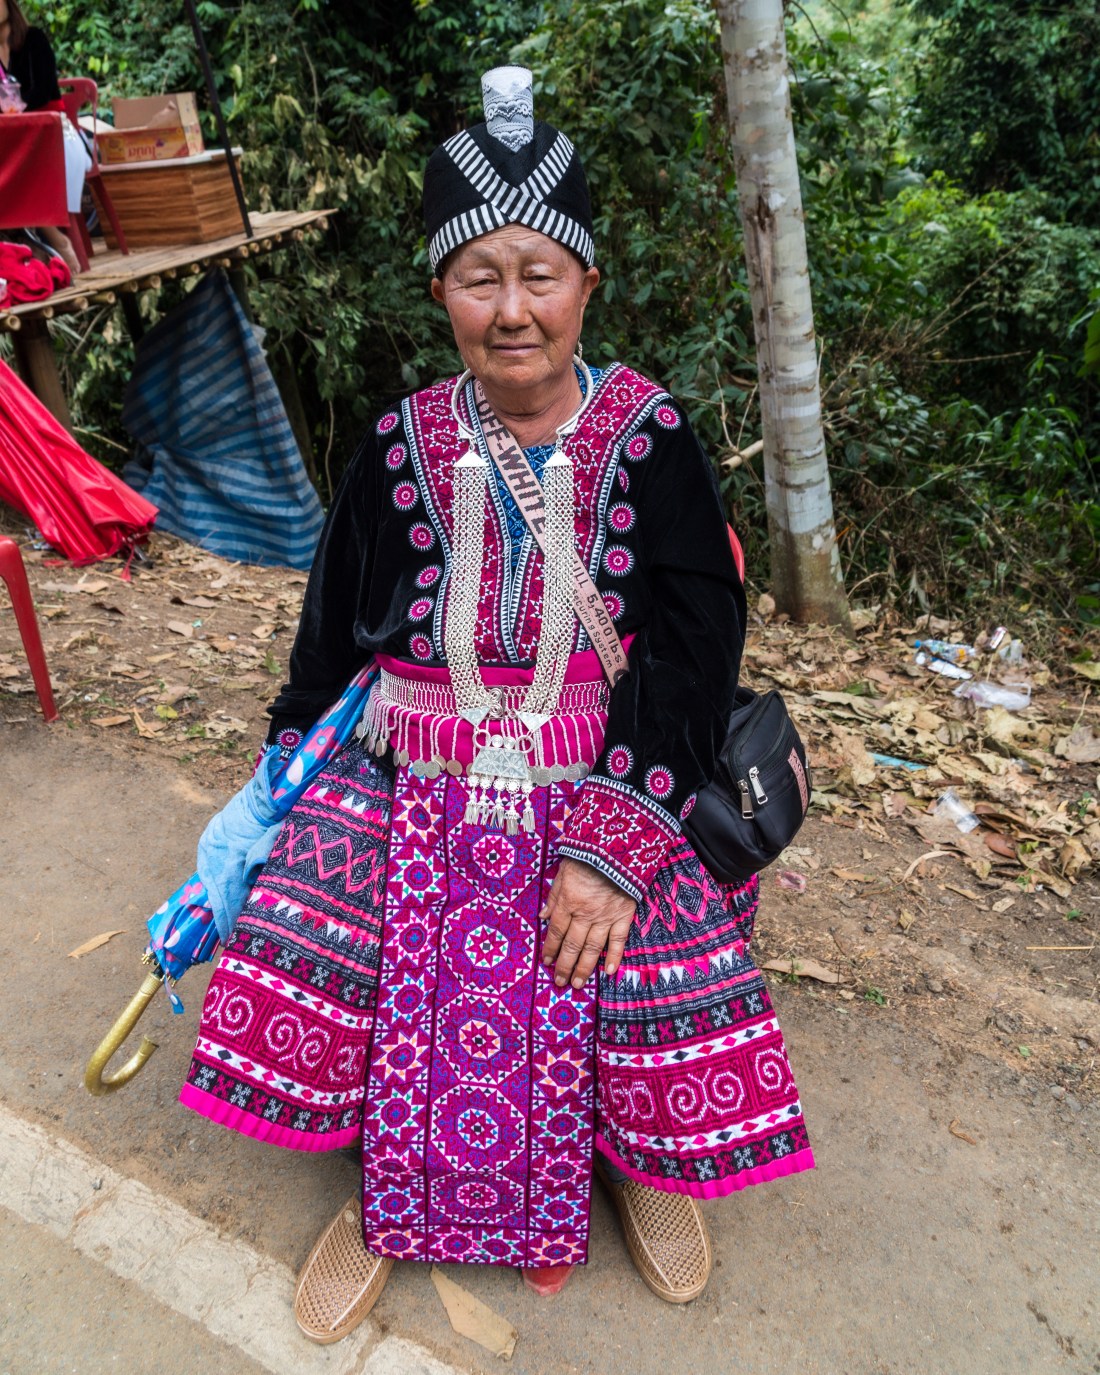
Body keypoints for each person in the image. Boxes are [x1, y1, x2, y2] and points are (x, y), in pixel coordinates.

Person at [181, 65, 814, 1343]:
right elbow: (329, 633)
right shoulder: (396, 442)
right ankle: (387, 1190)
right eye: (480, 278)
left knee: (630, 964)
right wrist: (279, 776)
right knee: (332, 935)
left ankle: (640, 1158)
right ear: (441, 293)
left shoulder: (651, 439)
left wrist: (613, 848)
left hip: (609, 771)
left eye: (540, 275)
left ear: (586, 284)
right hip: (410, 763)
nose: (512, 309)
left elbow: (694, 651)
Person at [0, 0, 86, 276]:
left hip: (52, 132)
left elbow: (44, 88)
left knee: (21, 166)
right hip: (13, 138)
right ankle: (28, 246)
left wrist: (16, 110)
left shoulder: (33, 39)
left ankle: (56, 240)